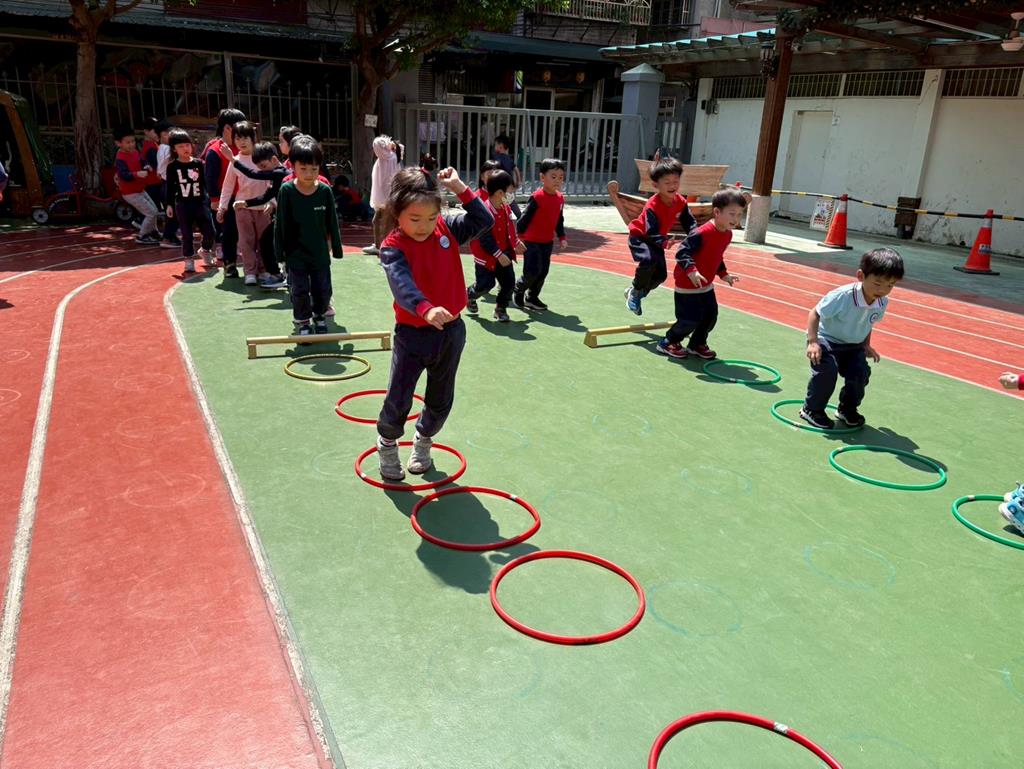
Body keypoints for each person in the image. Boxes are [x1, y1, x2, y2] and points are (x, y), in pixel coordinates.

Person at [375, 166, 494, 480]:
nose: (424, 226)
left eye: (430, 218)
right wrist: (425, 309)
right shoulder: (393, 246)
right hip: (412, 335)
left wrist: (460, 188)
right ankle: (387, 443)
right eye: (415, 219)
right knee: (399, 397)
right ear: (397, 212)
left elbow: (484, 221)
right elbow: (402, 285)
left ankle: (424, 439)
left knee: (440, 399)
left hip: (451, 332)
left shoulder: (446, 229)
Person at [799, 247, 905, 429]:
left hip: (853, 345)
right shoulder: (843, 296)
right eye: (878, 283)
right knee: (827, 371)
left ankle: (846, 409)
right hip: (826, 340)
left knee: (860, 372)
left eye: (890, 285)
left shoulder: (881, 301)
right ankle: (811, 409)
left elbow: (868, 323)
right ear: (861, 276)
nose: (883, 290)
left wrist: (866, 345)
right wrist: (813, 342)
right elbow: (815, 313)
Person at [655, 188, 746, 361]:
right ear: (717, 212)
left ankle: (696, 344)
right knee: (689, 319)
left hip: (706, 285)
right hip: (687, 285)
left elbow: (716, 255)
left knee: (710, 316)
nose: (736, 219)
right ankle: (668, 342)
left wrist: (724, 274)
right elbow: (682, 252)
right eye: (732, 214)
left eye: (740, 214)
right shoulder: (701, 233)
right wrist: (692, 271)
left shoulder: (727, 234)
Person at [274, 135, 343, 336]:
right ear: (293, 166)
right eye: (303, 168)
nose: (309, 173)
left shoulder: (324, 191)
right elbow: (281, 224)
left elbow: (332, 222)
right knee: (299, 289)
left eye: (314, 169)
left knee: (323, 288)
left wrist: (335, 248)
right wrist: (280, 253)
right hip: (296, 253)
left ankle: (319, 315)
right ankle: (303, 320)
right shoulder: (287, 191)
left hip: (319, 252)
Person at [624, 156, 697, 316]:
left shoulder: (680, 201)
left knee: (661, 276)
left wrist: (696, 235)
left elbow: (689, 221)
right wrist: (664, 242)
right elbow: (651, 232)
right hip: (640, 237)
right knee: (649, 260)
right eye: (667, 182)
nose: (672, 186)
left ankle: (638, 293)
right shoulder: (653, 205)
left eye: (675, 181)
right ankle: (635, 290)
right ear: (656, 185)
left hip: (657, 240)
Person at [217, 121, 271, 286]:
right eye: (238, 138)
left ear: (253, 138)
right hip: (243, 208)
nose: (241, 142)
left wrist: (272, 201)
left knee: (264, 240)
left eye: (245, 137)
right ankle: (250, 272)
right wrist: (222, 207)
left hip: (263, 208)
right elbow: (228, 186)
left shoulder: (262, 156)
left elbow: (272, 180)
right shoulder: (235, 161)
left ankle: (264, 269)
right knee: (246, 241)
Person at [230, 141, 288, 288]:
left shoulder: (280, 173)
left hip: (291, 219)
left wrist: (233, 161)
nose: (263, 170)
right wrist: (245, 203)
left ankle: (287, 274)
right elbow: (265, 197)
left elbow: (252, 174)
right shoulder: (276, 177)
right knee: (267, 241)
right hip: (283, 218)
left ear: (274, 160)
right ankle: (277, 274)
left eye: (263, 166)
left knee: (279, 244)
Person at [513, 158, 566, 312]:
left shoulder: (560, 199)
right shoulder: (537, 197)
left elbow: (559, 220)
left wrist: (562, 237)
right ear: (542, 177)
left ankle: (532, 297)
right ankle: (519, 289)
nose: (557, 181)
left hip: (547, 242)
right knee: (532, 271)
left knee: (543, 271)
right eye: (553, 177)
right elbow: (524, 219)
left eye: (561, 177)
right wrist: (517, 239)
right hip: (531, 241)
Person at [467, 170, 518, 323]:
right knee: (485, 285)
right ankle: (469, 294)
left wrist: (516, 242)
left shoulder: (505, 207)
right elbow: (485, 239)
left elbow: (509, 228)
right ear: (500, 193)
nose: (512, 195)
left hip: (504, 254)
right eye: (510, 191)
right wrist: (498, 254)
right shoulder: (485, 212)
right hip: (487, 257)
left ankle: (500, 308)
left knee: (509, 283)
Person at [164, 128, 216, 274]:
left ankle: (205, 250)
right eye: (180, 146)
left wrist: (213, 199)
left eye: (187, 145)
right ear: (174, 149)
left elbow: (206, 183)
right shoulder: (172, 166)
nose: (185, 148)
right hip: (183, 205)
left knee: (210, 231)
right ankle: (188, 259)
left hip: (200, 203)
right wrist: (169, 205)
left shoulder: (199, 164)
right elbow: (170, 188)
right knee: (187, 234)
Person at [202, 107, 245, 277]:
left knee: (250, 232)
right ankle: (230, 264)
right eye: (238, 126)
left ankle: (256, 265)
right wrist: (215, 200)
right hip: (227, 199)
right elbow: (210, 178)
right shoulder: (215, 150)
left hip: (246, 197)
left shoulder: (245, 146)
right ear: (227, 128)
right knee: (229, 232)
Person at [113, 126, 160, 244]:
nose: (131, 144)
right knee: (151, 212)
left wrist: (146, 165)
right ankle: (142, 235)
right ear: (118, 143)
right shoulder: (120, 158)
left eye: (133, 141)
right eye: (128, 142)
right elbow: (124, 175)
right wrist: (137, 174)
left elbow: (141, 161)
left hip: (139, 189)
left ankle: (153, 232)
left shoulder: (135, 152)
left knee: (154, 210)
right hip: (130, 192)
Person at [364, 134, 403, 255]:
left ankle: (382, 246)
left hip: (385, 196)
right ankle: (380, 245)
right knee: (381, 221)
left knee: (383, 222)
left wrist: (388, 144)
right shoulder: (392, 157)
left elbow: (377, 143)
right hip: (387, 196)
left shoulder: (387, 157)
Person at [492, 134, 522, 217]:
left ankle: (519, 218)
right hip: (508, 186)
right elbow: (516, 169)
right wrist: (518, 181)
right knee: (510, 202)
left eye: (495, 145)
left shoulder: (496, 158)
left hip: (500, 186)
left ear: (500, 146)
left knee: (501, 203)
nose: (494, 147)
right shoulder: (509, 158)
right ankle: (520, 217)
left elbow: (494, 170)